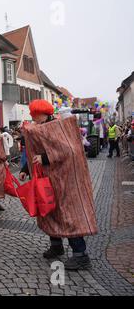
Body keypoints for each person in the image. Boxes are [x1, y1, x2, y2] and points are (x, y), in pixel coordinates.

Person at [19, 99, 98, 270]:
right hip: (49, 180)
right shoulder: (40, 128)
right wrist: (26, 168)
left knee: (68, 214)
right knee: (49, 211)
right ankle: (57, 246)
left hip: (65, 180)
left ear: (43, 113)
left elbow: (69, 150)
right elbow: (36, 151)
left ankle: (81, 255)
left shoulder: (57, 126)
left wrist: (44, 158)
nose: (33, 117)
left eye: (35, 114)